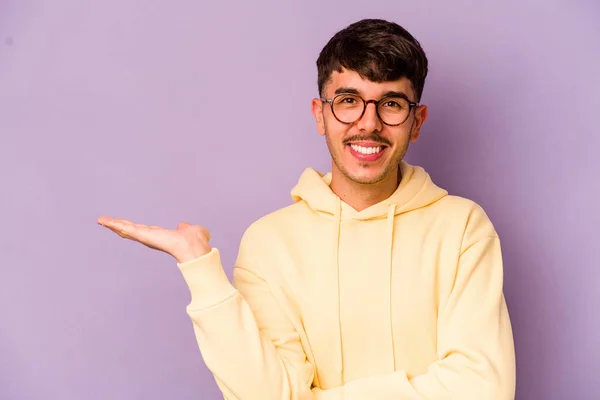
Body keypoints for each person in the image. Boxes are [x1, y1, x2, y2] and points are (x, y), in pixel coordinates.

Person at [98, 18, 516, 399]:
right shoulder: (269, 243)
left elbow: (483, 389)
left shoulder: (463, 228)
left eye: (391, 104)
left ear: (417, 121)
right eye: (349, 100)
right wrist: (200, 269)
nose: (368, 124)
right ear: (321, 115)